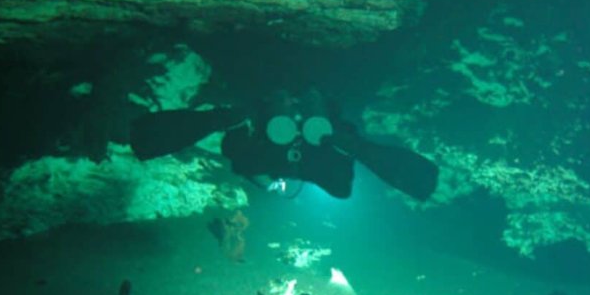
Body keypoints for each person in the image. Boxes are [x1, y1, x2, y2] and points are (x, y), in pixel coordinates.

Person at [130, 88, 439, 200]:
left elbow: (238, 159)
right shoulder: (308, 168)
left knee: (243, 155)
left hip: (288, 152)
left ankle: (282, 112)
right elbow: (341, 188)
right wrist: (345, 143)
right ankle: (321, 123)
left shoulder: (266, 163)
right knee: (340, 169)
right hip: (313, 152)